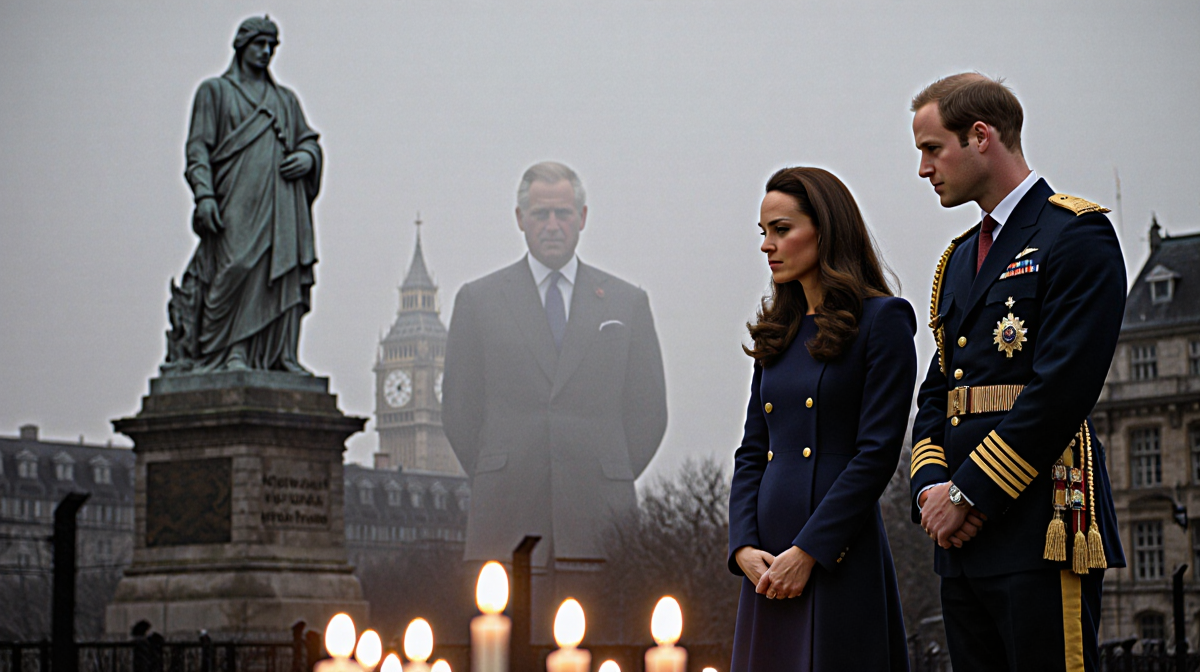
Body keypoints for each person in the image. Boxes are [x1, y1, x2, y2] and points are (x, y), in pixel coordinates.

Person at [909, 73, 1126, 672]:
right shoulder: (957, 259)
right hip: (958, 539)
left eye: (932, 149)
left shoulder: (1075, 234)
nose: (924, 169)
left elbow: (1062, 390)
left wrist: (968, 493)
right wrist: (930, 490)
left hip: (1040, 524)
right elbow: (939, 392)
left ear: (980, 137)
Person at [441, 161, 667, 638]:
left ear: (583, 217)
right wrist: (501, 465)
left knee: (607, 653)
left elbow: (649, 413)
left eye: (562, 213)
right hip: (505, 521)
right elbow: (459, 412)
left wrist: (605, 468)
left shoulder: (627, 303)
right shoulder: (477, 301)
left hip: (601, 522)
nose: (552, 225)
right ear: (519, 218)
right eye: (540, 214)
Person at [728, 167, 914, 671]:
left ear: (825, 229)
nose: (768, 245)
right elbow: (751, 452)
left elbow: (876, 455)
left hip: (836, 553)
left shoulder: (884, 321)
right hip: (766, 561)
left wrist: (808, 551)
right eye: (763, 233)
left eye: (782, 229)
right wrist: (743, 545)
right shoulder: (776, 331)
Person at [164, 16, 322, 374]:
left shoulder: (286, 99)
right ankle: (230, 348)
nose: (266, 52)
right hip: (235, 197)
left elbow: (308, 140)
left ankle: (281, 355)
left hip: (282, 203)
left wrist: (307, 157)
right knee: (236, 266)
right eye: (259, 44)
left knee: (280, 271)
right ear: (241, 46)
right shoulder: (215, 92)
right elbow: (198, 148)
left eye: (272, 46)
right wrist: (204, 195)